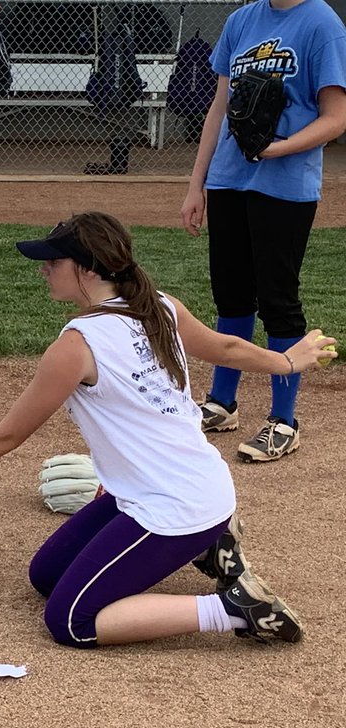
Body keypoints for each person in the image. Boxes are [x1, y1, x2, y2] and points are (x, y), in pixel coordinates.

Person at [0, 212, 336, 649]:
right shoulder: (158, 307)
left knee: (71, 620)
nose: (43, 269)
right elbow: (226, 348)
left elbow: (6, 436)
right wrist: (286, 359)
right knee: (45, 576)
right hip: (174, 487)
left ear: (88, 270)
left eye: (54, 260)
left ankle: (234, 609)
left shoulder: (77, 346)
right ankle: (213, 541)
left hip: (176, 505)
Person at [180, 0, 346, 462]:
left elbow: (336, 116)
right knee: (231, 295)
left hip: (286, 184)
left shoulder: (321, 23)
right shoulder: (241, 20)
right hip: (229, 178)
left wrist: (279, 149)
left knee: (278, 298)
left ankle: (284, 421)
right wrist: (197, 185)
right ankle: (222, 403)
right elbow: (219, 108)